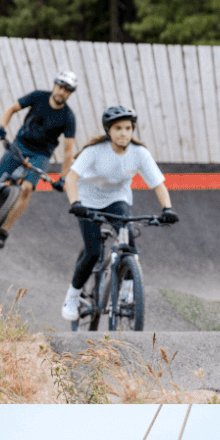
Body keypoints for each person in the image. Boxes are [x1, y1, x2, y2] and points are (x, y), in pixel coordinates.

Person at [61, 105, 179, 322]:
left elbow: (158, 184)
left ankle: (126, 293)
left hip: (117, 200)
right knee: (93, 251)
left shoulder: (140, 153)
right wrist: (75, 202)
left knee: (129, 244)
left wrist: (167, 209)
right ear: (108, 131)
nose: (124, 133)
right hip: (87, 201)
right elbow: (71, 178)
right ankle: (73, 295)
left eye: (128, 128)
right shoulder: (94, 151)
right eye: (118, 128)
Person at [0, 70, 78, 247]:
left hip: (40, 155)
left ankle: (4, 231)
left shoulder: (68, 117)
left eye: (67, 90)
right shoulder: (38, 96)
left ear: (70, 94)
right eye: (60, 87)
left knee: (27, 189)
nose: (62, 92)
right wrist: (2, 127)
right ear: (54, 85)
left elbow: (68, 151)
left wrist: (63, 178)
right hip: (20, 145)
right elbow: (12, 109)